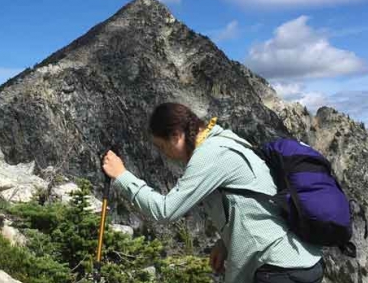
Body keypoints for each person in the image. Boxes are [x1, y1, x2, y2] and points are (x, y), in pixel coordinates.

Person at [102, 102, 324, 283]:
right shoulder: (228, 140)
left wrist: (122, 175)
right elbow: (253, 203)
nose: (165, 154)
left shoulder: (210, 155)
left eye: (162, 146)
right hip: (301, 262)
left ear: (176, 135)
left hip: (277, 269)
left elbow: (165, 211)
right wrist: (225, 243)